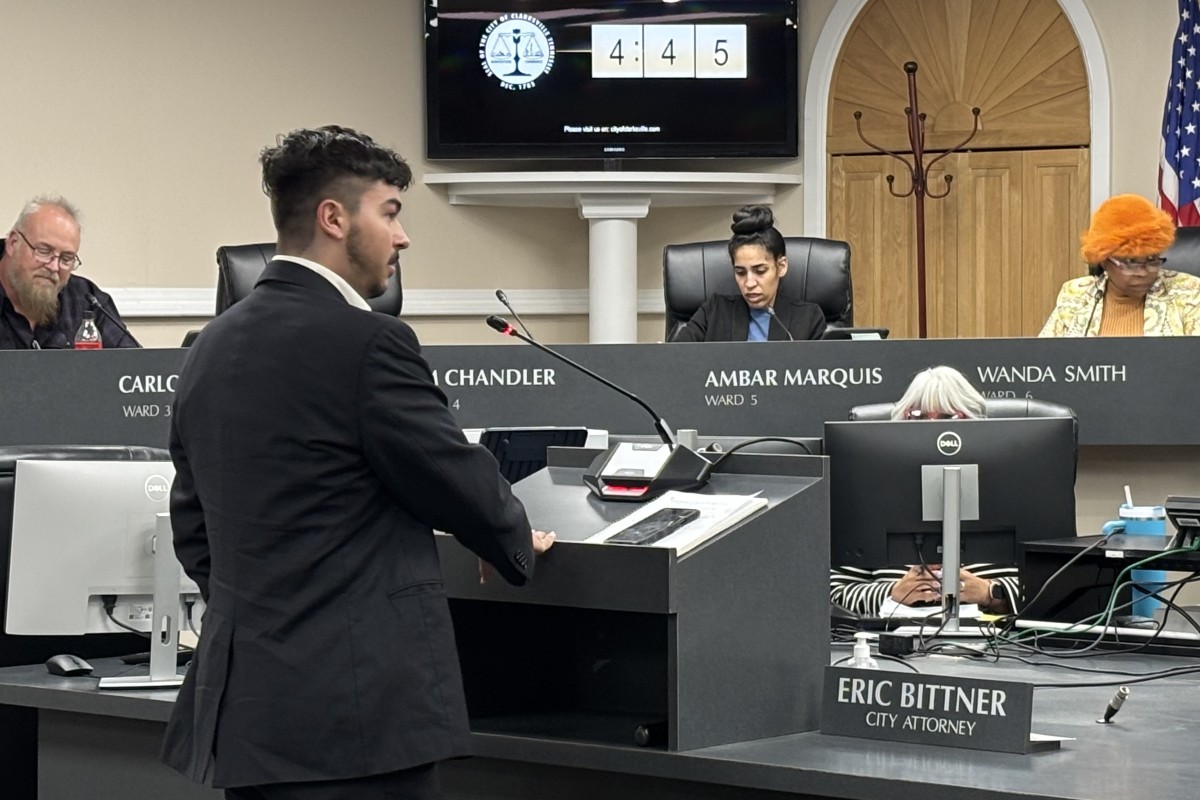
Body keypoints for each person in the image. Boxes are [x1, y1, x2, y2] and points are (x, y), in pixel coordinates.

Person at [161, 126, 555, 800]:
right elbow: (457, 482)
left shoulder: (209, 346)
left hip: (251, 720)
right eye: (390, 213)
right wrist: (512, 538)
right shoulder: (370, 342)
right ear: (334, 218)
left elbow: (194, 527)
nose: (402, 238)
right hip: (358, 723)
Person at [829, 366, 1018, 616]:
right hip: (892, 636)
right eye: (917, 417)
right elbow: (833, 594)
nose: (932, 428)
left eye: (948, 417)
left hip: (995, 638)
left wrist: (990, 593)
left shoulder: (1012, 491)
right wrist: (892, 594)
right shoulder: (869, 500)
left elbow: (1052, 587)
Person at [1039, 193, 1200, 337]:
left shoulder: (1189, 291)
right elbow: (1044, 356)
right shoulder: (1075, 295)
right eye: (1131, 262)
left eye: (1151, 260)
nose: (1142, 273)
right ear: (1104, 260)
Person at [669, 205, 826, 342]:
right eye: (740, 272)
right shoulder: (713, 312)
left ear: (781, 266)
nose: (749, 283)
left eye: (760, 271)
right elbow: (675, 357)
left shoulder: (808, 318)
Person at [0, 196, 138, 349]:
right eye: (44, 251)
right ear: (13, 243)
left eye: (66, 258)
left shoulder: (87, 301)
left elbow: (134, 361)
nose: (54, 267)